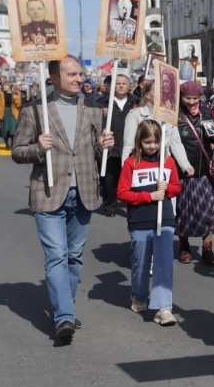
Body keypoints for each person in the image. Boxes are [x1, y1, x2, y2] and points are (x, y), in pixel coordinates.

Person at [11, 56, 115, 343]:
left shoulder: (94, 109)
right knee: (56, 254)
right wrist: (36, 148)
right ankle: (64, 317)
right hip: (49, 192)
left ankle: (64, 306)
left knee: (74, 255)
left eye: (80, 73)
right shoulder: (36, 110)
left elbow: (95, 153)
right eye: (72, 74)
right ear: (54, 78)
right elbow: (17, 151)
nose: (79, 78)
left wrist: (103, 146)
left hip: (84, 192)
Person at [117, 119, 182, 325]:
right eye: (147, 142)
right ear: (139, 142)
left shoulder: (168, 161)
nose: (152, 146)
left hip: (165, 220)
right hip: (139, 220)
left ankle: (164, 307)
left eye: (155, 142)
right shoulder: (131, 163)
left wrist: (167, 188)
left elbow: (176, 187)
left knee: (164, 262)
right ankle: (139, 294)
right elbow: (122, 192)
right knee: (141, 262)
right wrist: (148, 196)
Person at [175, 81, 214, 265]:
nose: (192, 102)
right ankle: (184, 246)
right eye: (188, 98)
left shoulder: (206, 112)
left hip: (204, 170)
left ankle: (207, 247)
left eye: (195, 98)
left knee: (208, 210)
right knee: (183, 211)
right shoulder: (174, 113)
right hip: (182, 169)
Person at [99, 73, 132, 215]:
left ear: (129, 86)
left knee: (130, 179)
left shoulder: (136, 102)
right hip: (110, 148)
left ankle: (132, 206)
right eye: (118, 83)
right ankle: (109, 206)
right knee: (109, 180)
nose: (121, 86)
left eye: (124, 83)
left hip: (130, 147)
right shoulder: (102, 103)